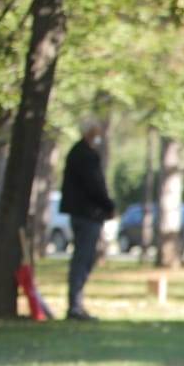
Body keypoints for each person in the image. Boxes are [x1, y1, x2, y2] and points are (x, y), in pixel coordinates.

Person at [58, 121, 115, 321]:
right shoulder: (86, 156)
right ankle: (75, 305)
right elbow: (95, 185)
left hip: (83, 213)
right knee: (83, 259)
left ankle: (76, 303)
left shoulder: (77, 153)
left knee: (84, 258)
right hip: (87, 214)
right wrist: (108, 205)